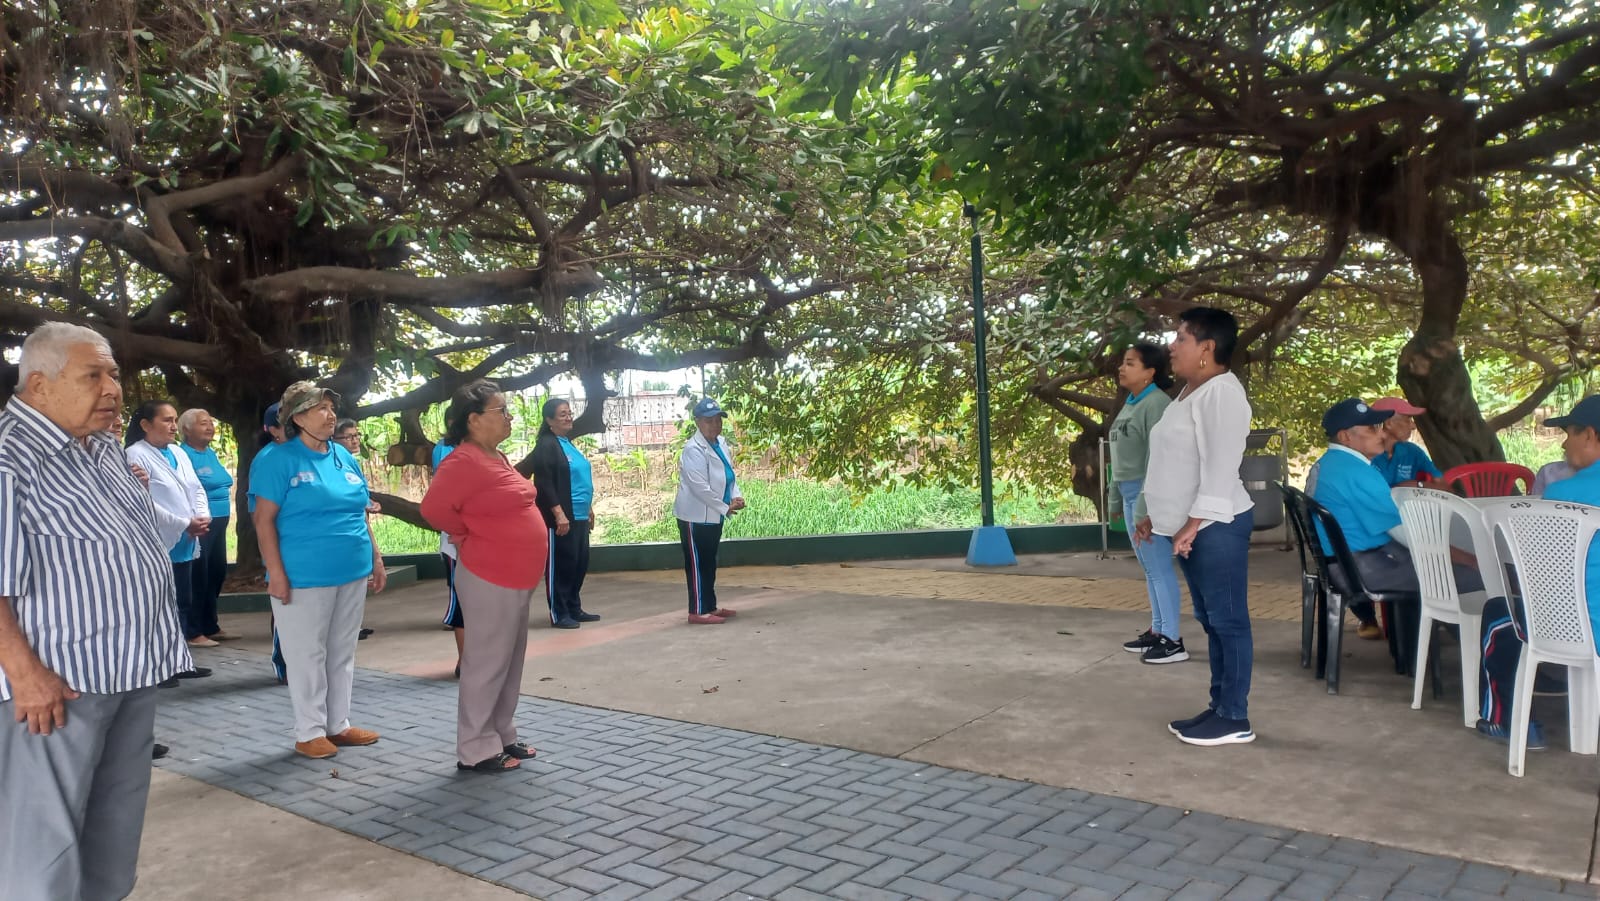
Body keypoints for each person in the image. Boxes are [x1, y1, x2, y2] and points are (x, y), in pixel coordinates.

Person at [0, 322, 190, 901]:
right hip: (57, 685)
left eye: (113, 374)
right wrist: (25, 675)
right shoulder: (10, 459)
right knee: (43, 840)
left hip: (131, 667)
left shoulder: (102, 447)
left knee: (114, 819)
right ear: (39, 385)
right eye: (93, 375)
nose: (112, 388)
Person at [1135, 307, 1256, 746]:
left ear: (1207, 347)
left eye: (1181, 338)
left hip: (1217, 526)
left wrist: (1192, 522)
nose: (1172, 346)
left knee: (1228, 621)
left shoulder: (1221, 393)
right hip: (1195, 525)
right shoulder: (1190, 392)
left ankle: (1234, 717)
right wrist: (1159, 515)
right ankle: (1219, 707)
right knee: (1211, 618)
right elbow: (1177, 464)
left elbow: (1221, 467)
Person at [252, 382, 387, 759]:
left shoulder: (343, 456)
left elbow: (359, 510)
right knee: (307, 653)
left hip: (352, 568)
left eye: (331, 407)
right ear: (297, 418)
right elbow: (263, 520)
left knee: (342, 650)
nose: (330, 415)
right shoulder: (276, 459)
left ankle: (337, 724)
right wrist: (276, 573)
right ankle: (309, 731)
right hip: (304, 574)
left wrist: (376, 558)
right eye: (320, 409)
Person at [421, 380, 548, 773]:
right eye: (501, 410)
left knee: (508, 660)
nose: (509, 417)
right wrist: (466, 534)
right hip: (489, 575)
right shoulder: (462, 462)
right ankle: (475, 748)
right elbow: (433, 510)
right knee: (486, 662)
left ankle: (501, 732)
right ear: (473, 419)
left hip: (515, 577)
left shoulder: (495, 456)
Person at [1309, 398, 1485, 659]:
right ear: (1346, 436)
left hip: (1344, 562)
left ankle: (1438, 653)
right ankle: (1489, 659)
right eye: (1371, 429)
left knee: (1445, 568)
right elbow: (1410, 536)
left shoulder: (1329, 463)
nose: (1381, 434)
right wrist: (1468, 559)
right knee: (1477, 576)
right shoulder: (1356, 472)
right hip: (1363, 568)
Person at [1476, 395, 1600, 750]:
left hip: (1584, 629)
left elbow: (1542, 576)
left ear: (1590, 434)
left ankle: (1509, 722)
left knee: (1498, 614)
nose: (1564, 443)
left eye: (1569, 433)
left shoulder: (1564, 493)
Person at [1109, 343, 1185, 663]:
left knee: (1159, 567)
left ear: (1150, 372)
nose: (1122, 368)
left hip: (1147, 495)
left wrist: (1145, 507)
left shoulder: (1157, 404)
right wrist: (1115, 497)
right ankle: (1158, 630)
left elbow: (1158, 459)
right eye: (1123, 363)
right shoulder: (1131, 402)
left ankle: (1173, 640)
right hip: (1130, 494)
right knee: (1149, 568)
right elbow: (1118, 455)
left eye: (1130, 363)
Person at [125, 401, 215, 651]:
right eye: (167, 420)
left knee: (183, 600)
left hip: (187, 538)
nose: (174, 426)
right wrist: (184, 523)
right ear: (145, 425)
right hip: (161, 538)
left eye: (175, 420)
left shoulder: (178, 452)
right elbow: (145, 501)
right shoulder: (135, 454)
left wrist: (202, 516)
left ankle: (180, 656)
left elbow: (196, 488)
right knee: (162, 604)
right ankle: (163, 659)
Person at [674, 398, 745, 625]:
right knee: (697, 564)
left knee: (709, 562)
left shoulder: (721, 443)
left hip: (714, 514)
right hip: (694, 516)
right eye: (708, 421)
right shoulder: (693, 449)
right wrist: (725, 507)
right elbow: (699, 488)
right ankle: (696, 610)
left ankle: (710, 606)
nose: (715, 425)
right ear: (697, 422)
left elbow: (729, 474)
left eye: (717, 420)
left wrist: (735, 495)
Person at [533, 398, 600, 629]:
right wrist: (558, 513)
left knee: (578, 563)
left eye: (570, 413)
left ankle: (573, 607)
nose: (569, 417)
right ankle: (559, 612)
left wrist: (588, 508)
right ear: (549, 420)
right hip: (561, 517)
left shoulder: (567, 443)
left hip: (579, 514)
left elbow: (579, 479)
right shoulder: (547, 445)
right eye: (562, 414)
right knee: (561, 565)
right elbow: (544, 483)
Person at [177, 408, 238, 644]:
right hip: (200, 523)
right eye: (203, 423)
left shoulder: (210, 453)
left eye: (211, 423)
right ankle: (193, 630)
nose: (210, 427)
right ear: (186, 429)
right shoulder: (184, 455)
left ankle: (210, 624)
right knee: (199, 575)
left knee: (216, 572)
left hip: (220, 521)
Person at [249, 402, 291, 683]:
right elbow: (260, 516)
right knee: (285, 606)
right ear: (273, 430)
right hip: (282, 542)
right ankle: (283, 662)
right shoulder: (268, 459)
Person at [334, 419, 379, 641]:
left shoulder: (351, 462)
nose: (355, 440)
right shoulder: (334, 463)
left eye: (356, 435)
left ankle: (354, 626)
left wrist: (369, 503)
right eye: (348, 437)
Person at [433, 436, 464, 673]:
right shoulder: (447, 451)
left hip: (486, 545)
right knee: (462, 599)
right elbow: (438, 502)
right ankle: (465, 661)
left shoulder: (489, 453)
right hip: (458, 544)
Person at [1369, 397, 1442, 487]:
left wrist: (1418, 485)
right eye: (1408, 420)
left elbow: (1442, 483)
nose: (1413, 426)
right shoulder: (1364, 455)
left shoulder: (1412, 451)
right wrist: (1399, 488)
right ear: (1389, 424)